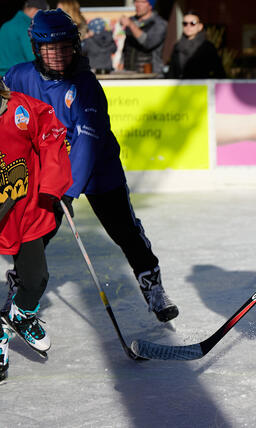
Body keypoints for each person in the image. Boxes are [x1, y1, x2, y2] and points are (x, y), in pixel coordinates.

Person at [2, 9, 178, 324]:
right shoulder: (18, 76)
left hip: (98, 170)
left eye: (66, 46)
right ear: (37, 49)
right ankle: (21, 289)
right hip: (46, 171)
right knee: (34, 236)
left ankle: (153, 286)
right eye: (50, 48)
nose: (59, 55)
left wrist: (66, 190)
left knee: (125, 230)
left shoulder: (85, 85)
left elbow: (87, 141)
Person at [0, 79, 73, 370]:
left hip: (25, 210)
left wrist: (54, 184)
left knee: (36, 278)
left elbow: (53, 136)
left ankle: (17, 317)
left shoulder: (21, 109)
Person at [166, 11, 225, 79]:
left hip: (201, 88)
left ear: (200, 26)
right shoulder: (177, 46)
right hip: (181, 88)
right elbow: (172, 72)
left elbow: (219, 72)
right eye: (185, 23)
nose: (188, 26)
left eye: (192, 23)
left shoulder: (207, 47)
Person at [0, 0, 49, 76]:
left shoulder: (5, 26)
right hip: (18, 80)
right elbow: (33, 58)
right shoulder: (28, 27)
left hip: (2, 79)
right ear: (36, 11)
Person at [120, 0, 167, 73]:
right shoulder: (132, 20)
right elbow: (127, 47)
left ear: (150, 5)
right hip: (129, 73)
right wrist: (121, 63)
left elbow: (148, 43)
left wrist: (131, 25)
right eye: (136, 1)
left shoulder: (159, 24)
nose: (138, 5)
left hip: (151, 75)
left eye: (142, 2)